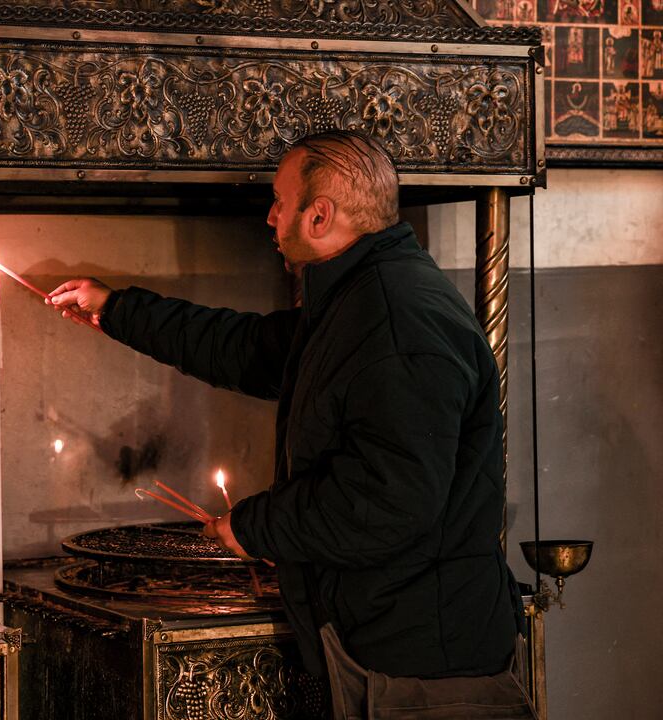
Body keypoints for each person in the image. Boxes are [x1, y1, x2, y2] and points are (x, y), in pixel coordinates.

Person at [48, 130, 533, 718]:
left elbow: (389, 501)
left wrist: (255, 526)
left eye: (280, 201)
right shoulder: (359, 299)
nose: (271, 217)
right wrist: (117, 309)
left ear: (320, 215)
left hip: (425, 670)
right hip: (390, 649)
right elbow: (245, 348)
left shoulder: (397, 321)